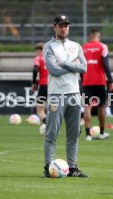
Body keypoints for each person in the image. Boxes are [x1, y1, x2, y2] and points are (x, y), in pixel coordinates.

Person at [42, 14, 89, 178]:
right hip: (56, 95)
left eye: (66, 26)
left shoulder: (76, 46)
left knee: (74, 134)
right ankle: (48, 167)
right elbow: (53, 70)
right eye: (61, 25)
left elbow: (84, 68)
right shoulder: (49, 46)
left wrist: (64, 64)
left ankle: (73, 168)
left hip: (74, 95)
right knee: (52, 134)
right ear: (54, 27)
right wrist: (73, 66)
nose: (64, 28)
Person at [82, 29, 113, 141]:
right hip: (100, 81)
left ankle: (88, 135)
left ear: (90, 36)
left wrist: (82, 79)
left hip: (87, 81)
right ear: (99, 36)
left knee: (87, 107)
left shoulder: (83, 47)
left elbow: (81, 65)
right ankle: (101, 133)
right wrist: (110, 80)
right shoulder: (102, 47)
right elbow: (105, 64)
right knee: (102, 107)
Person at [31, 42, 48, 129]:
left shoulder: (38, 58)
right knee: (53, 110)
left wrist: (34, 83)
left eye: (37, 50)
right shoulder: (51, 58)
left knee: (40, 110)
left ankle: (49, 127)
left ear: (39, 50)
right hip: (54, 87)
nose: (37, 53)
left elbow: (35, 70)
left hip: (44, 86)